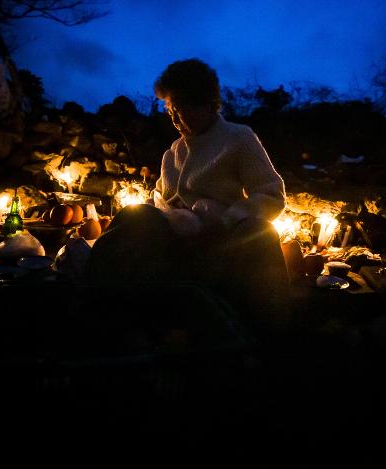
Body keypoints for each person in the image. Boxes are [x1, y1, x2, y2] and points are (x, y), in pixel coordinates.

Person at [85, 58, 290, 336]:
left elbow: (270, 193)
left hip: (224, 240)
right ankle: (91, 297)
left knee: (261, 232)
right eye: (170, 110)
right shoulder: (174, 152)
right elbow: (160, 197)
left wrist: (226, 220)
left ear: (207, 103)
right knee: (137, 216)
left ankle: (267, 335)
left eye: (181, 109)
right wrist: (170, 217)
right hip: (174, 239)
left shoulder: (238, 138)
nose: (174, 118)